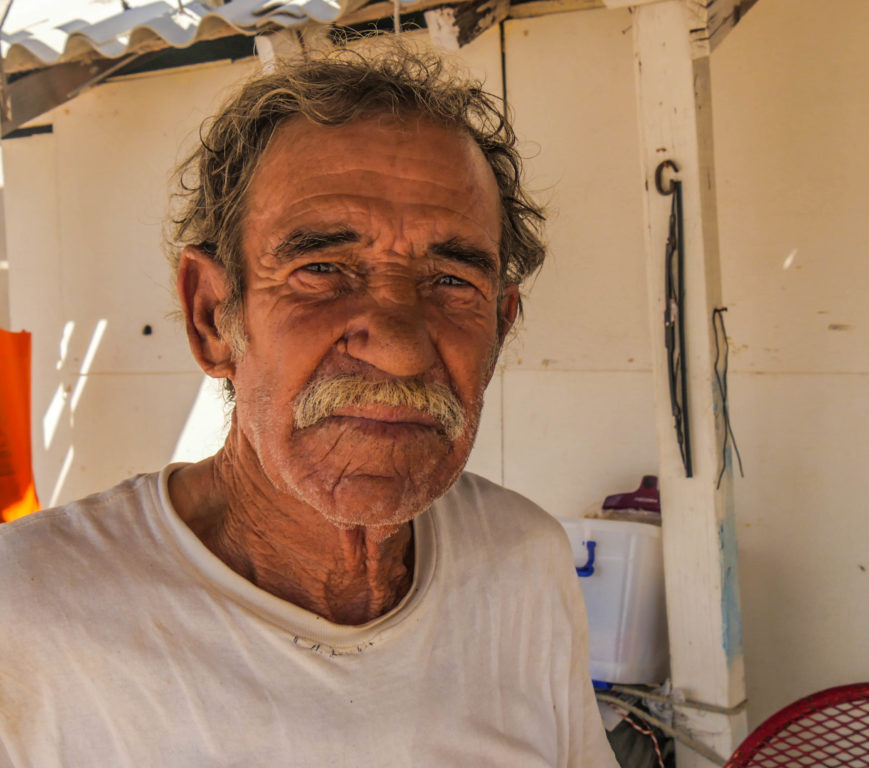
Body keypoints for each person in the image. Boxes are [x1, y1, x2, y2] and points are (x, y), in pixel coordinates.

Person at [0, 44, 617, 767]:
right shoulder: (29, 612)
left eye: (452, 281)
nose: (399, 347)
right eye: (320, 269)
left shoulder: (526, 566)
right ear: (212, 317)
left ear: (501, 326)